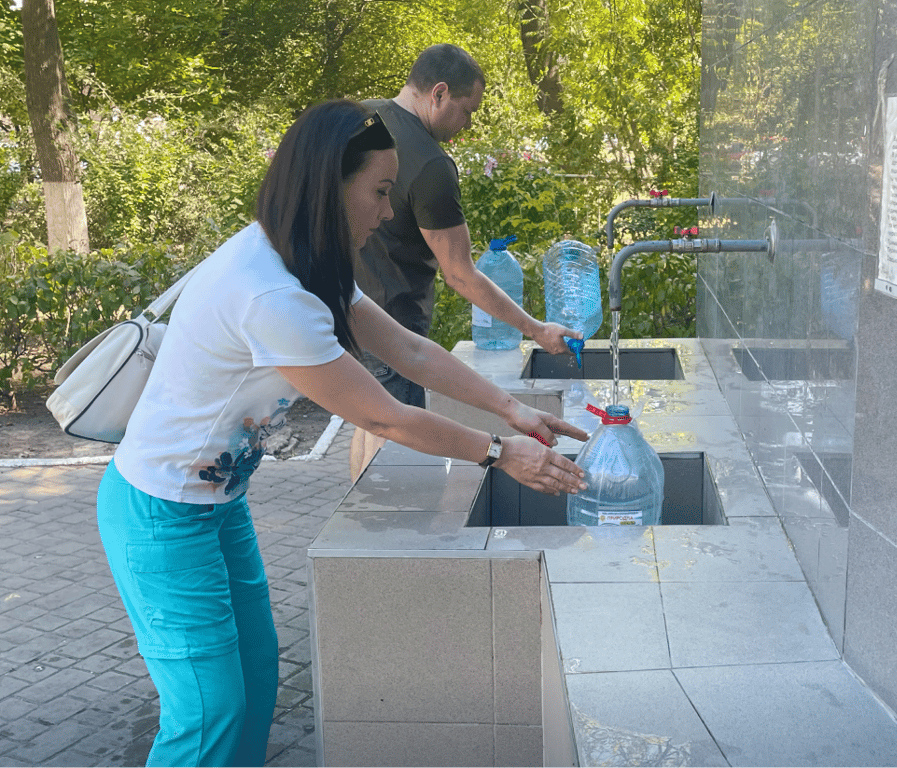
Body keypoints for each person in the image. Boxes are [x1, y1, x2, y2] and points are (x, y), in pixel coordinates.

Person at [96, 99, 588, 768]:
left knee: (256, 680)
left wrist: (513, 410)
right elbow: (384, 414)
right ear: (330, 186)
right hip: (161, 513)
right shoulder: (271, 293)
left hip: (217, 505)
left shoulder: (306, 267)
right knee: (209, 713)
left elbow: (411, 352)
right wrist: (501, 454)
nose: (388, 212)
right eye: (380, 192)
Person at [357, 43, 578, 408]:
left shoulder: (359, 117)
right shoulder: (431, 165)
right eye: (466, 111)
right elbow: (459, 274)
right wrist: (536, 330)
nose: (468, 124)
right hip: (392, 333)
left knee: (369, 427)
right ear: (439, 93)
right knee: (395, 443)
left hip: (343, 313)